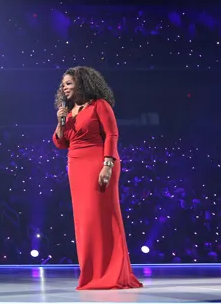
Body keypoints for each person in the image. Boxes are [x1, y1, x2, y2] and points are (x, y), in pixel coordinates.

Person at [53, 66, 142, 290]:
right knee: (84, 222)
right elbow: (60, 143)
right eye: (63, 84)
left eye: (69, 83)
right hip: (76, 167)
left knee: (103, 217)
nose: (64, 87)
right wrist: (60, 122)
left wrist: (108, 164)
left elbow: (112, 134)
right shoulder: (68, 111)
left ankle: (112, 273)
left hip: (99, 163)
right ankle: (92, 275)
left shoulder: (99, 105)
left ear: (82, 84)